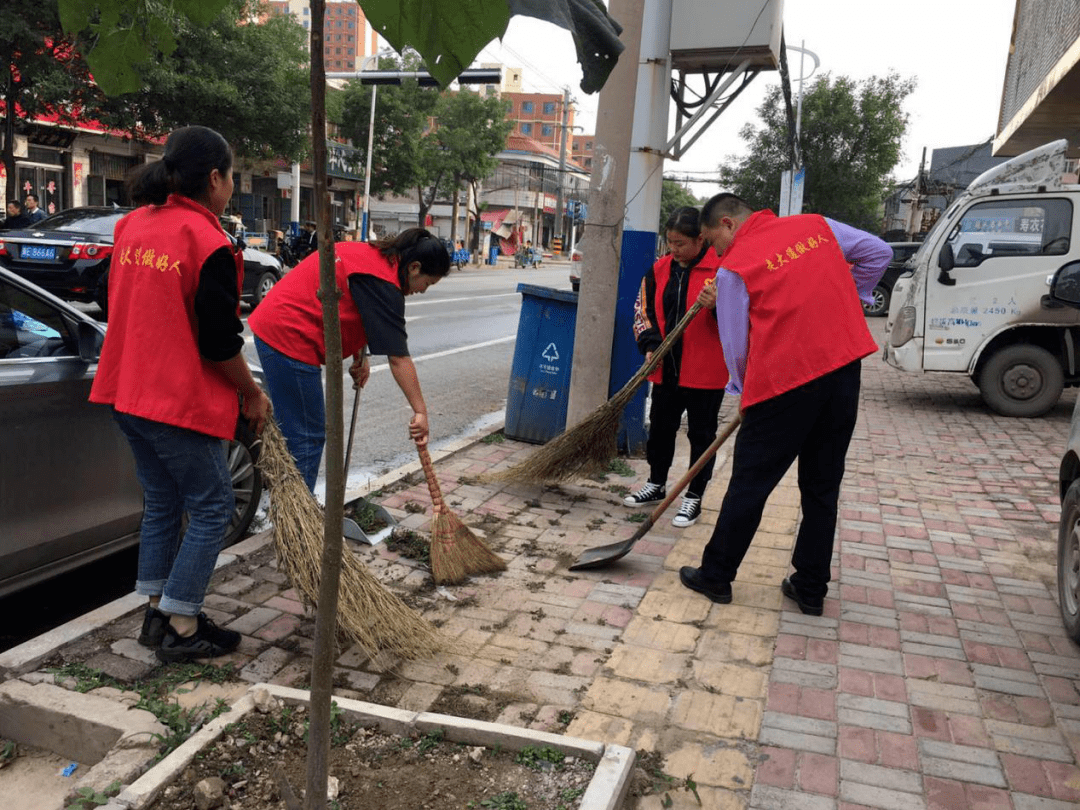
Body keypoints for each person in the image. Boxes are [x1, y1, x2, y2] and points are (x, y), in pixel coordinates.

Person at [89, 125, 271, 662]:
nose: (232, 187)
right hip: (174, 402)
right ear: (214, 178)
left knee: (164, 503)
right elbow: (219, 343)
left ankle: (156, 610)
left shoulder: (131, 227)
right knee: (213, 505)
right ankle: (182, 621)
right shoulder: (207, 241)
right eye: (231, 176)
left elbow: (107, 297)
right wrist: (251, 393)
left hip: (126, 394)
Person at [679, 193, 891, 616]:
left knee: (750, 483)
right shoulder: (816, 225)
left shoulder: (734, 267)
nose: (714, 252)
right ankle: (811, 587)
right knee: (822, 485)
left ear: (727, 224)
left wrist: (742, 389)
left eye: (711, 241)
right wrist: (851, 294)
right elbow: (879, 252)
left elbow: (736, 345)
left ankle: (716, 575)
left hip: (784, 382)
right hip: (843, 371)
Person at [248, 227, 450, 491]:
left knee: (301, 433)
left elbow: (354, 302)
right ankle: (294, 520)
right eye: (428, 283)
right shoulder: (385, 282)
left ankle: (290, 502)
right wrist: (420, 411)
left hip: (277, 325)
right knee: (306, 437)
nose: (423, 291)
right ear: (414, 268)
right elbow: (399, 358)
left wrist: (359, 354)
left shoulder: (375, 257)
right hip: (289, 337)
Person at [624, 206, 727, 527]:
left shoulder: (722, 272)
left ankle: (693, 497)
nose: (674, 249)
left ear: (701, 240)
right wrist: (651, 345)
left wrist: (717, 307)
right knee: (661, 429)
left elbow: (743, 318)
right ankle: (656, 483)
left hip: (706, 372)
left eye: (680, 243)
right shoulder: (659, 270)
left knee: (701, 435)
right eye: (670, 242)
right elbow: (642, 311)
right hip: (666, 368)